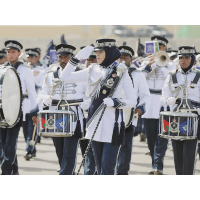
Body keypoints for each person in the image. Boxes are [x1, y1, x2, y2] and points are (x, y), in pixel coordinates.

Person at [60, 39, 137, 175]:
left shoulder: (121, 70)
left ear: (109, 53)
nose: (98, 55)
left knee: (107, 169)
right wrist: (76, 58)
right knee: (99, 168)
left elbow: (132, 101)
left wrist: (115, 102)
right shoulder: (91, 69)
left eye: (101, 52)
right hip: (94, 124)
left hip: (112, 127)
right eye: (97, 52)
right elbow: (64, 76)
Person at [37, 44, 87, 175]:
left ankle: (65, 174)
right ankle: (66, 172)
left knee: (69, 152)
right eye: (61, 57)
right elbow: (42, 93)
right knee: (59, 150)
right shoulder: (50, 73)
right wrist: (44, 99)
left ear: (72, 58)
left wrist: (85, 103)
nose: (63, 60)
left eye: (66, 57)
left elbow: (89, 95)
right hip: (55, 115)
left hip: (74, 115)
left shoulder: (82, 72)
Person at [0, 40, 38, 175]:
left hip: (17, 111)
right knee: (4, 145)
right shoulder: (2, 68)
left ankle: (6, 173)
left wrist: (34, 112)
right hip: (2, 112)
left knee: (10, 145)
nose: (10, 55)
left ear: (19, 53)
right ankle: (14, 171)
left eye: (13, 52)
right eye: (8, 52)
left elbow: (32, 92)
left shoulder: (25, 70)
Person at [160, 46, 199, 175]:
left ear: (192, 59)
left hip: (193, 120)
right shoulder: (172, 76)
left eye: (187, 58)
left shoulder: (198, 76)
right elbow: (163, 98)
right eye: (181, 57)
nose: (183, 60)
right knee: (177, 156)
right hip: (175, 120)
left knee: (189, 155)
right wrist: (172, 100)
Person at [142, 35, 176, 175]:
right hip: (149, 103)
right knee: (151, 138)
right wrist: (149, 66)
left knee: (162, 137)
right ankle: (154, 164)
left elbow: (173, 80)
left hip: (163, 103)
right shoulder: (145, 62)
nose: (158, 49)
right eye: (155, 47)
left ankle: (158, 166)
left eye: (160, 47)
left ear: (164, 48)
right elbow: (139, 80)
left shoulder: (171, 64)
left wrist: (163, 64)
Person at [116, 45, 150, 175]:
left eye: (126, 57)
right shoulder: (112, 72)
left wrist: (141, 107)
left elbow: (145, 95)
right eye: (120, 57)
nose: (123, 59)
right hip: (112, 114)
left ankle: (122, 173)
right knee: (110, 146)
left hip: (129, 116)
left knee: (126, 146)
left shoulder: (137, 74)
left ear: (131, 58)